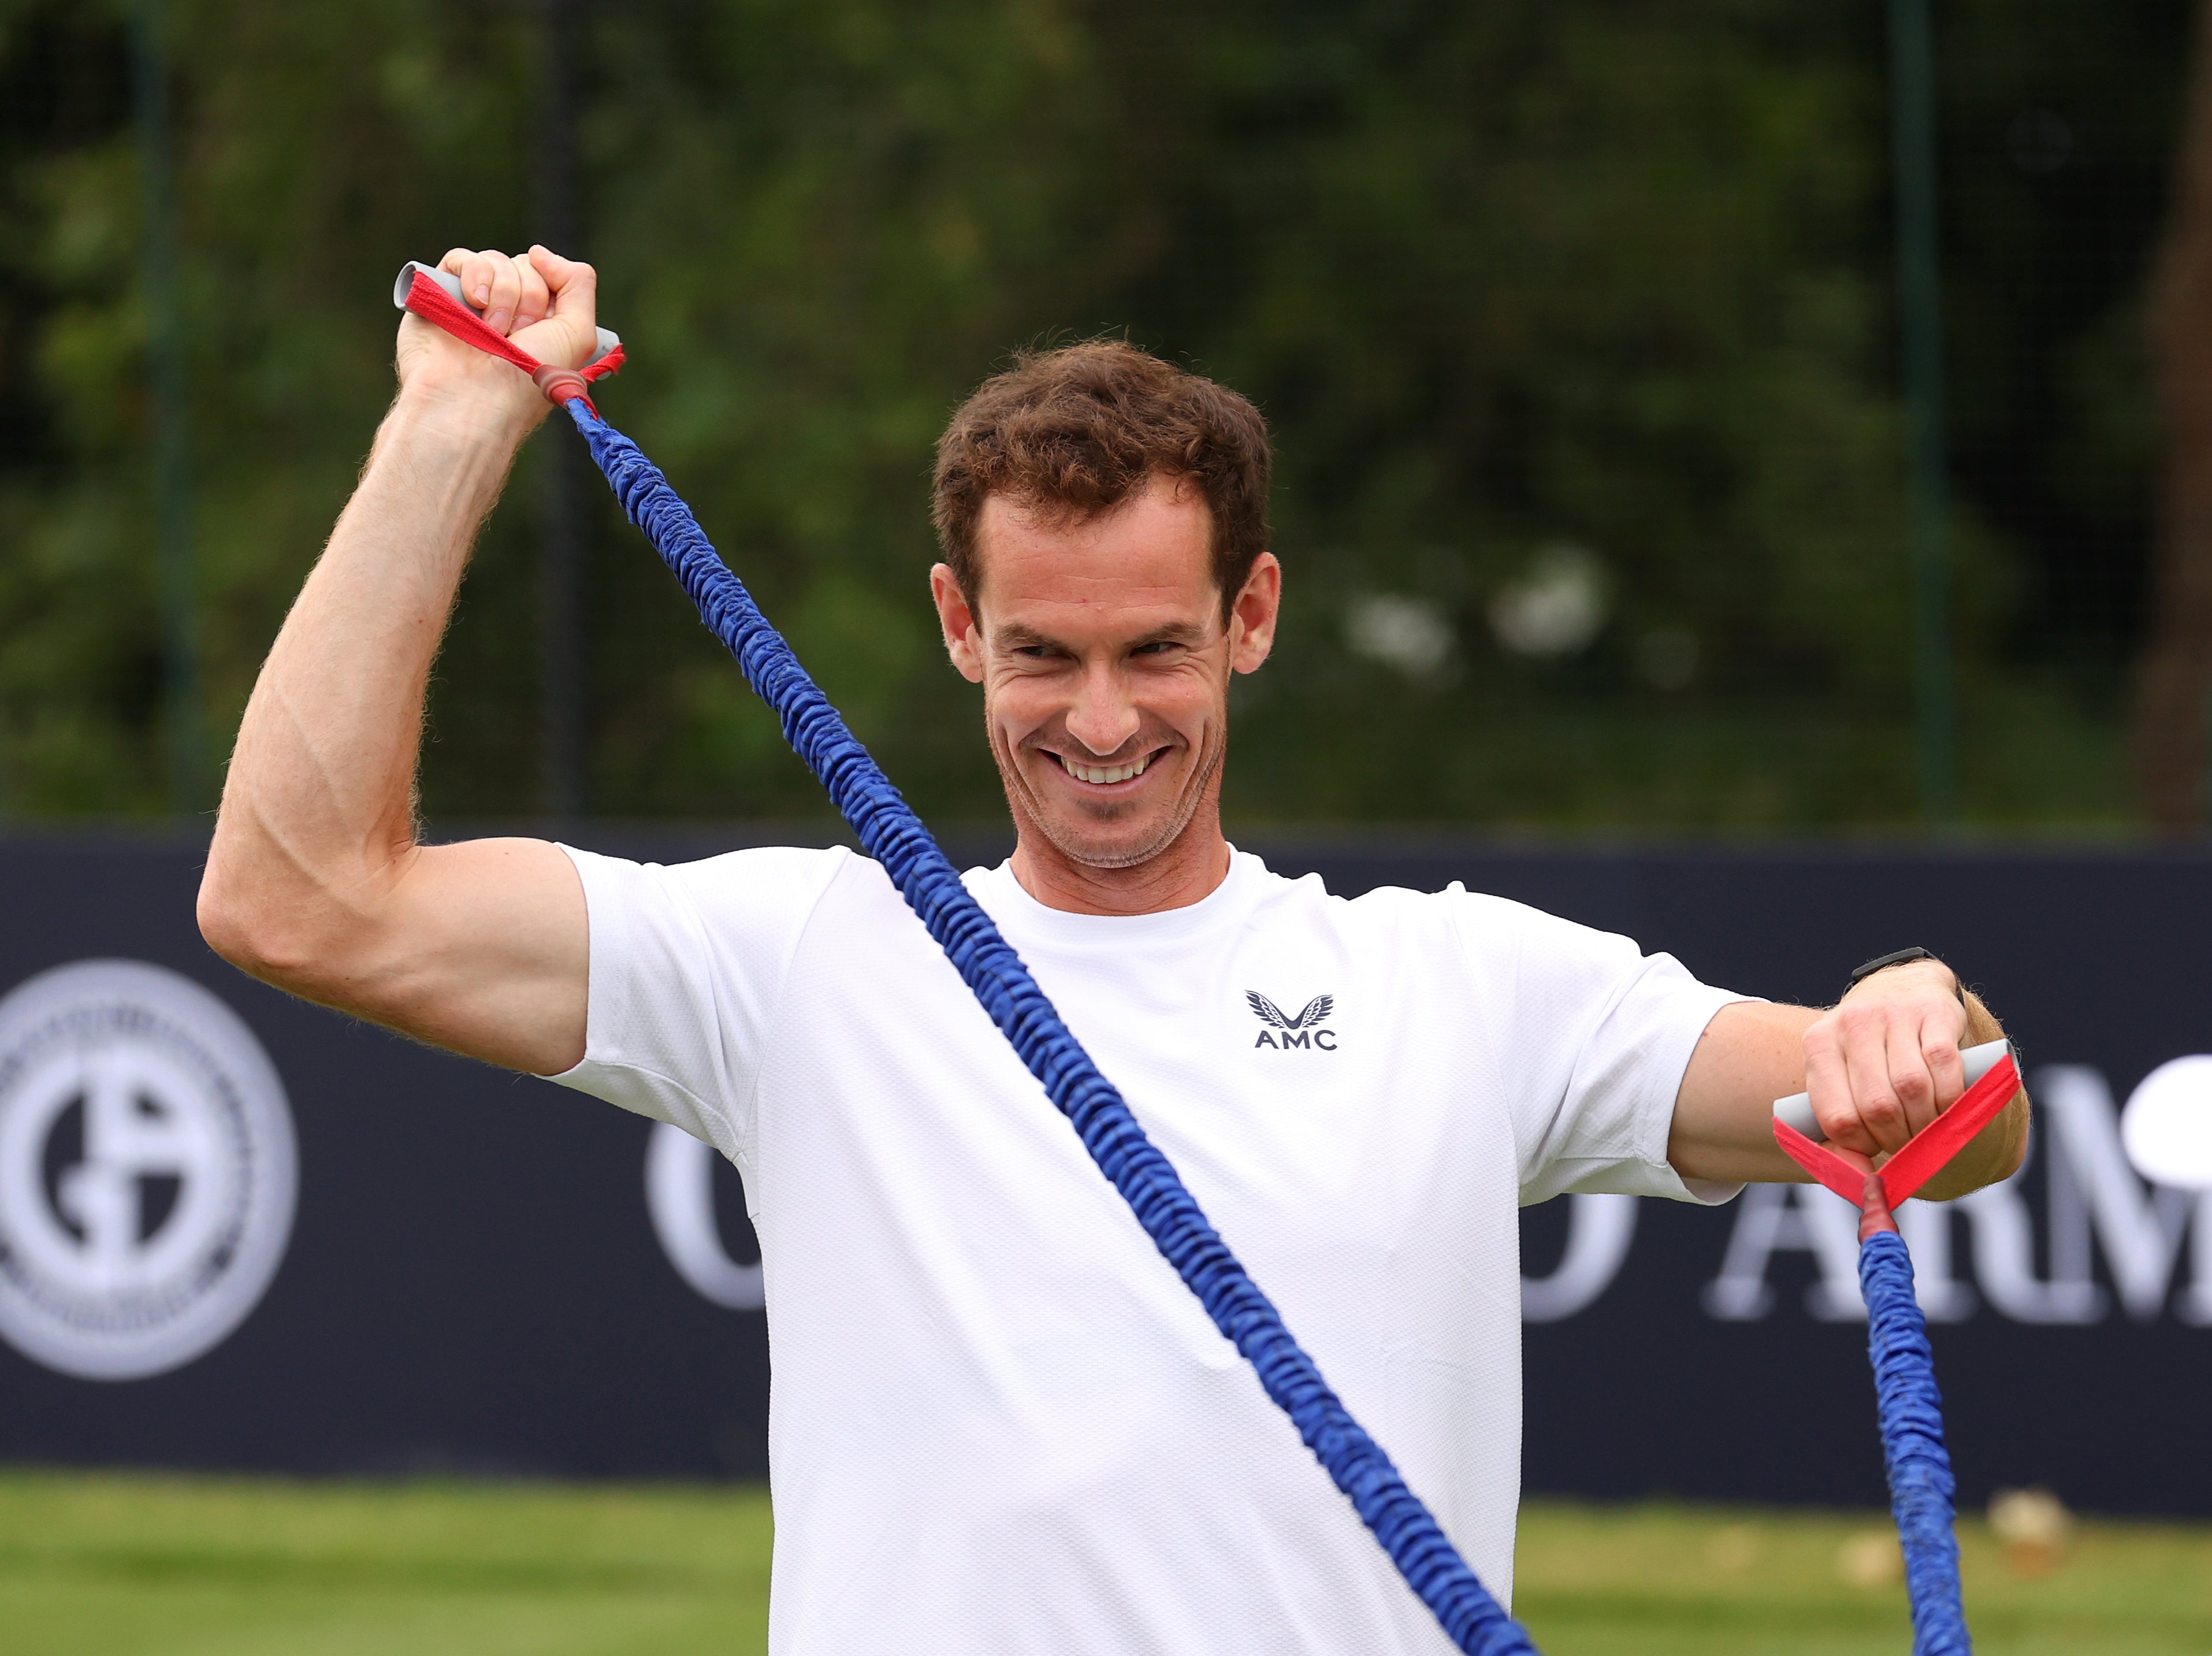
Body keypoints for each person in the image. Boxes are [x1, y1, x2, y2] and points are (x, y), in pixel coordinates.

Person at [198, 244, 2029, 1653]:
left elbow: (1953, 1112)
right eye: (1039, 654)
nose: (1097, 721)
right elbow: (297, 899)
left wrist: (1910, 1005)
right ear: (953, 625)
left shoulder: (1462, 986)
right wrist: (450, 420)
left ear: (1253, 616)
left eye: (1154, 648)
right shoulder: (797, 957)